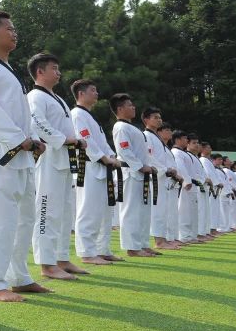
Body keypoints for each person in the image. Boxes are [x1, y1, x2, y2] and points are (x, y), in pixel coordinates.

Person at [0, 11, 49, 302]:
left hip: (23, 154)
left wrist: (34, 139)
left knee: (25, 218)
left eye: (14, 29)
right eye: (9, 28)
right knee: (0, 218)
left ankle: (19, 276)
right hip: (3, 151)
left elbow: (22, 114)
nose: (14, 33)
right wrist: (19, 139)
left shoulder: (10, 71)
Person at [26, 53, 89, 281]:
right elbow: (37, 123)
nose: (59, 72)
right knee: (47, 210)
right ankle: (47, 263)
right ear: (40, 71)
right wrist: (66, 139)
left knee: (64, 212)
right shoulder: (35, 96)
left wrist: (74, 141)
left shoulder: (58, 99)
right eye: (54, 68)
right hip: (49, 158)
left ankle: (62, 258)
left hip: (65, 159)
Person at [70, 80, 122, 265]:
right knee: (89, 210)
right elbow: (86, 141)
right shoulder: (77, 114)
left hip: (102, 167)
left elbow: (102, 142)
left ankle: (102, 249)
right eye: (93, 90)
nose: (97, 93)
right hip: (89, 167)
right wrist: (105, 158)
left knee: (105, 212)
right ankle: (87, 252)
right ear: (81, 94)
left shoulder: (90, 116)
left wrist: (111, 155)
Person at [109, 94, 159, 258]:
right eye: (129, 105)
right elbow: (124, 151)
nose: (133, 107)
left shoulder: (133, 128)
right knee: (130, 211)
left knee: (143, 211)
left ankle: (143, 243)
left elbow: (142, 152)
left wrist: (148, 166)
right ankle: (132, 247)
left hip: (142, 173)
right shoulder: (120, 127)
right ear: (120, 109)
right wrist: (141, 166)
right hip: (130, 173)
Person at [142, 114, 182, 250]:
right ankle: (159, 241)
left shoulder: (158, 140)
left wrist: (171, 171)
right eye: (155, 117)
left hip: (164, 178)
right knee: (158, 210)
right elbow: (149, 157)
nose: (159, 119)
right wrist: (165, 169)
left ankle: (163, 239)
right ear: (146, 120)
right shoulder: (147, 136)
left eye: (160, 117)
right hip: (156, 177)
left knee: (164, 211)